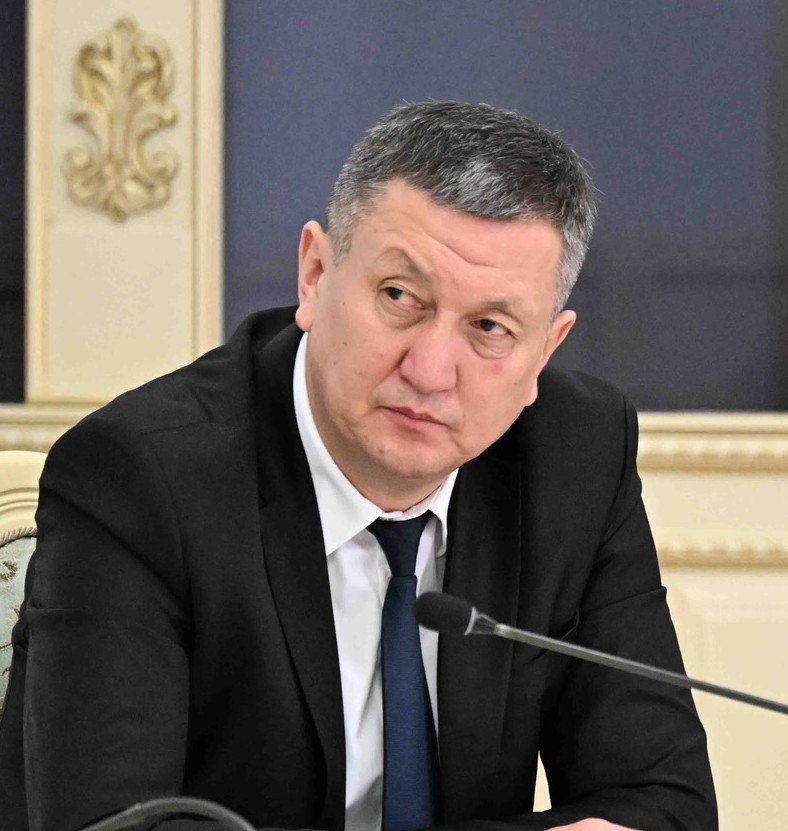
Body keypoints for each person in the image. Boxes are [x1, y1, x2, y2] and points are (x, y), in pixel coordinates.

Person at [0, 102, 717, 831]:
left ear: (545, 352)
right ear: (315, 274)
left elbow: (665, 802)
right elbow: (110, 822)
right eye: (400, 297)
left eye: (489, 327)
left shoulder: (576, 456)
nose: (431, 371)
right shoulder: (139, 477)